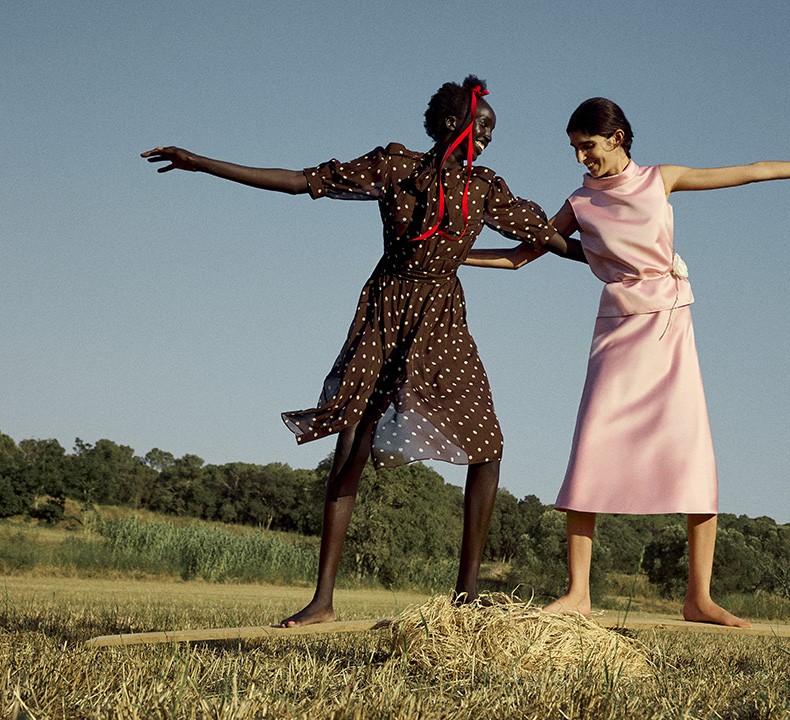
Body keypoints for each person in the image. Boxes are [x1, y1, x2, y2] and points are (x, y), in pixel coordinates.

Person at [142, 76, 581, 627]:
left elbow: (547, 237)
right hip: (385, 311)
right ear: (453, 123)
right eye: (484, 126)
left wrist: (620, 264)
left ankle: (466, 595)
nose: (490, 138)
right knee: (352, 443)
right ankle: (323, 599)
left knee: (487, 445)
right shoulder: (395, 168)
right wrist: (204, 163)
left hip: (442, 320)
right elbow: (302, 182)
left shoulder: (486, 188)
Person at [465, 97, 790, 625]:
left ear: (617, 138)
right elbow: (521, 256)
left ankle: (698, 598)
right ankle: (578, 594)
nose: (580, 158)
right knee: (591, 448)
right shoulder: (578, 202)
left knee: (692, 453)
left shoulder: (661, 179)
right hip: (616, 331)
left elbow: (753, 172)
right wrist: (450, 253)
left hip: (669, 327)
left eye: (587, 146)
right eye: (574, 149)